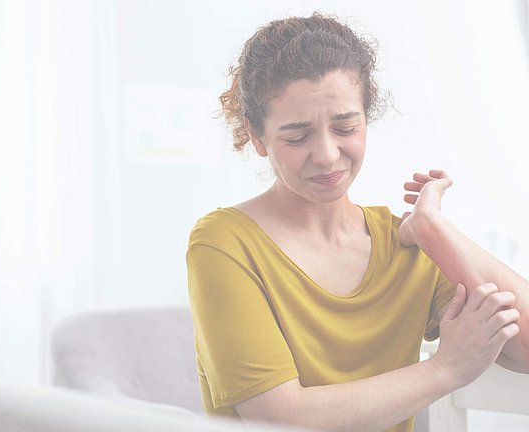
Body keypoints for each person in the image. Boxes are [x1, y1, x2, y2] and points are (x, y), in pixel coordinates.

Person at [186, 12, 529, 432]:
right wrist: (446, 370)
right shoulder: (224, 243)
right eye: (297, 137)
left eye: (345, 126)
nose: (328, 155)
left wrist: (436, 232)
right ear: (257, 138)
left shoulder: (404, 243)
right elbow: (279, 418)